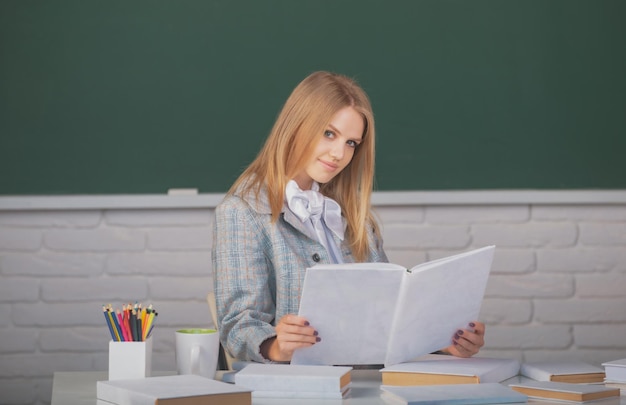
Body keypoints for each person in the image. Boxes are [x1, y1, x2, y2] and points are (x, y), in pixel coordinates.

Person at [212, 71, 485, 363]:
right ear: (297, 125)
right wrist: (278, 346)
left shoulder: (354, 218)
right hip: (304, 389)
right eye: (329, 134)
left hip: (370, 382)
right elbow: (238, 326)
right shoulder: (242, 211)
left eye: (351, 143)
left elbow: (388, 315)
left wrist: (441, 341)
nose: (338, 153)